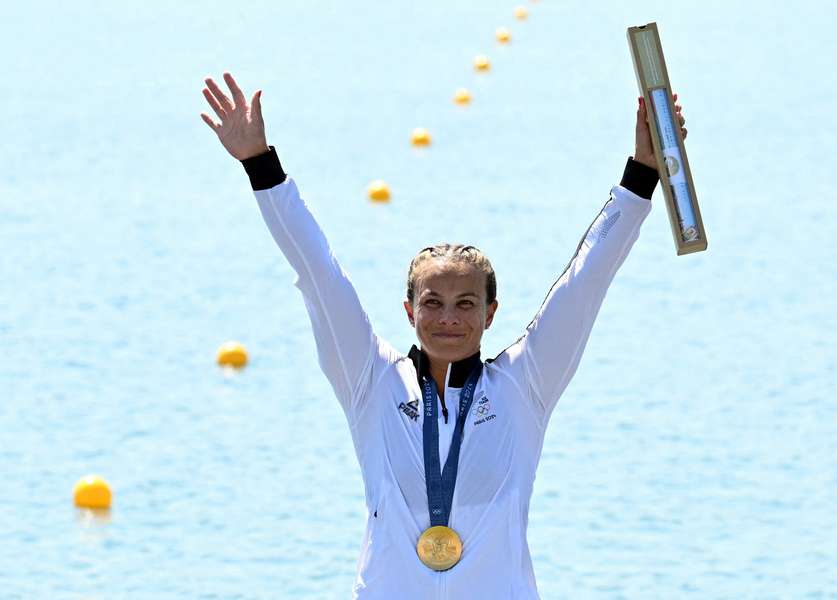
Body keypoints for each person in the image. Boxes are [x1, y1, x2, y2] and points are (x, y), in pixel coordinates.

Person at [201, 72, 686, 599]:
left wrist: (642, 174)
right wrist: (259, 164)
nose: (448, 318)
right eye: (432, 303)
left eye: (465, 304)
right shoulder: (370, 380)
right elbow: (318, 272)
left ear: (490, 312)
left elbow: (587, 280)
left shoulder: (525, 384)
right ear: (409, 311)